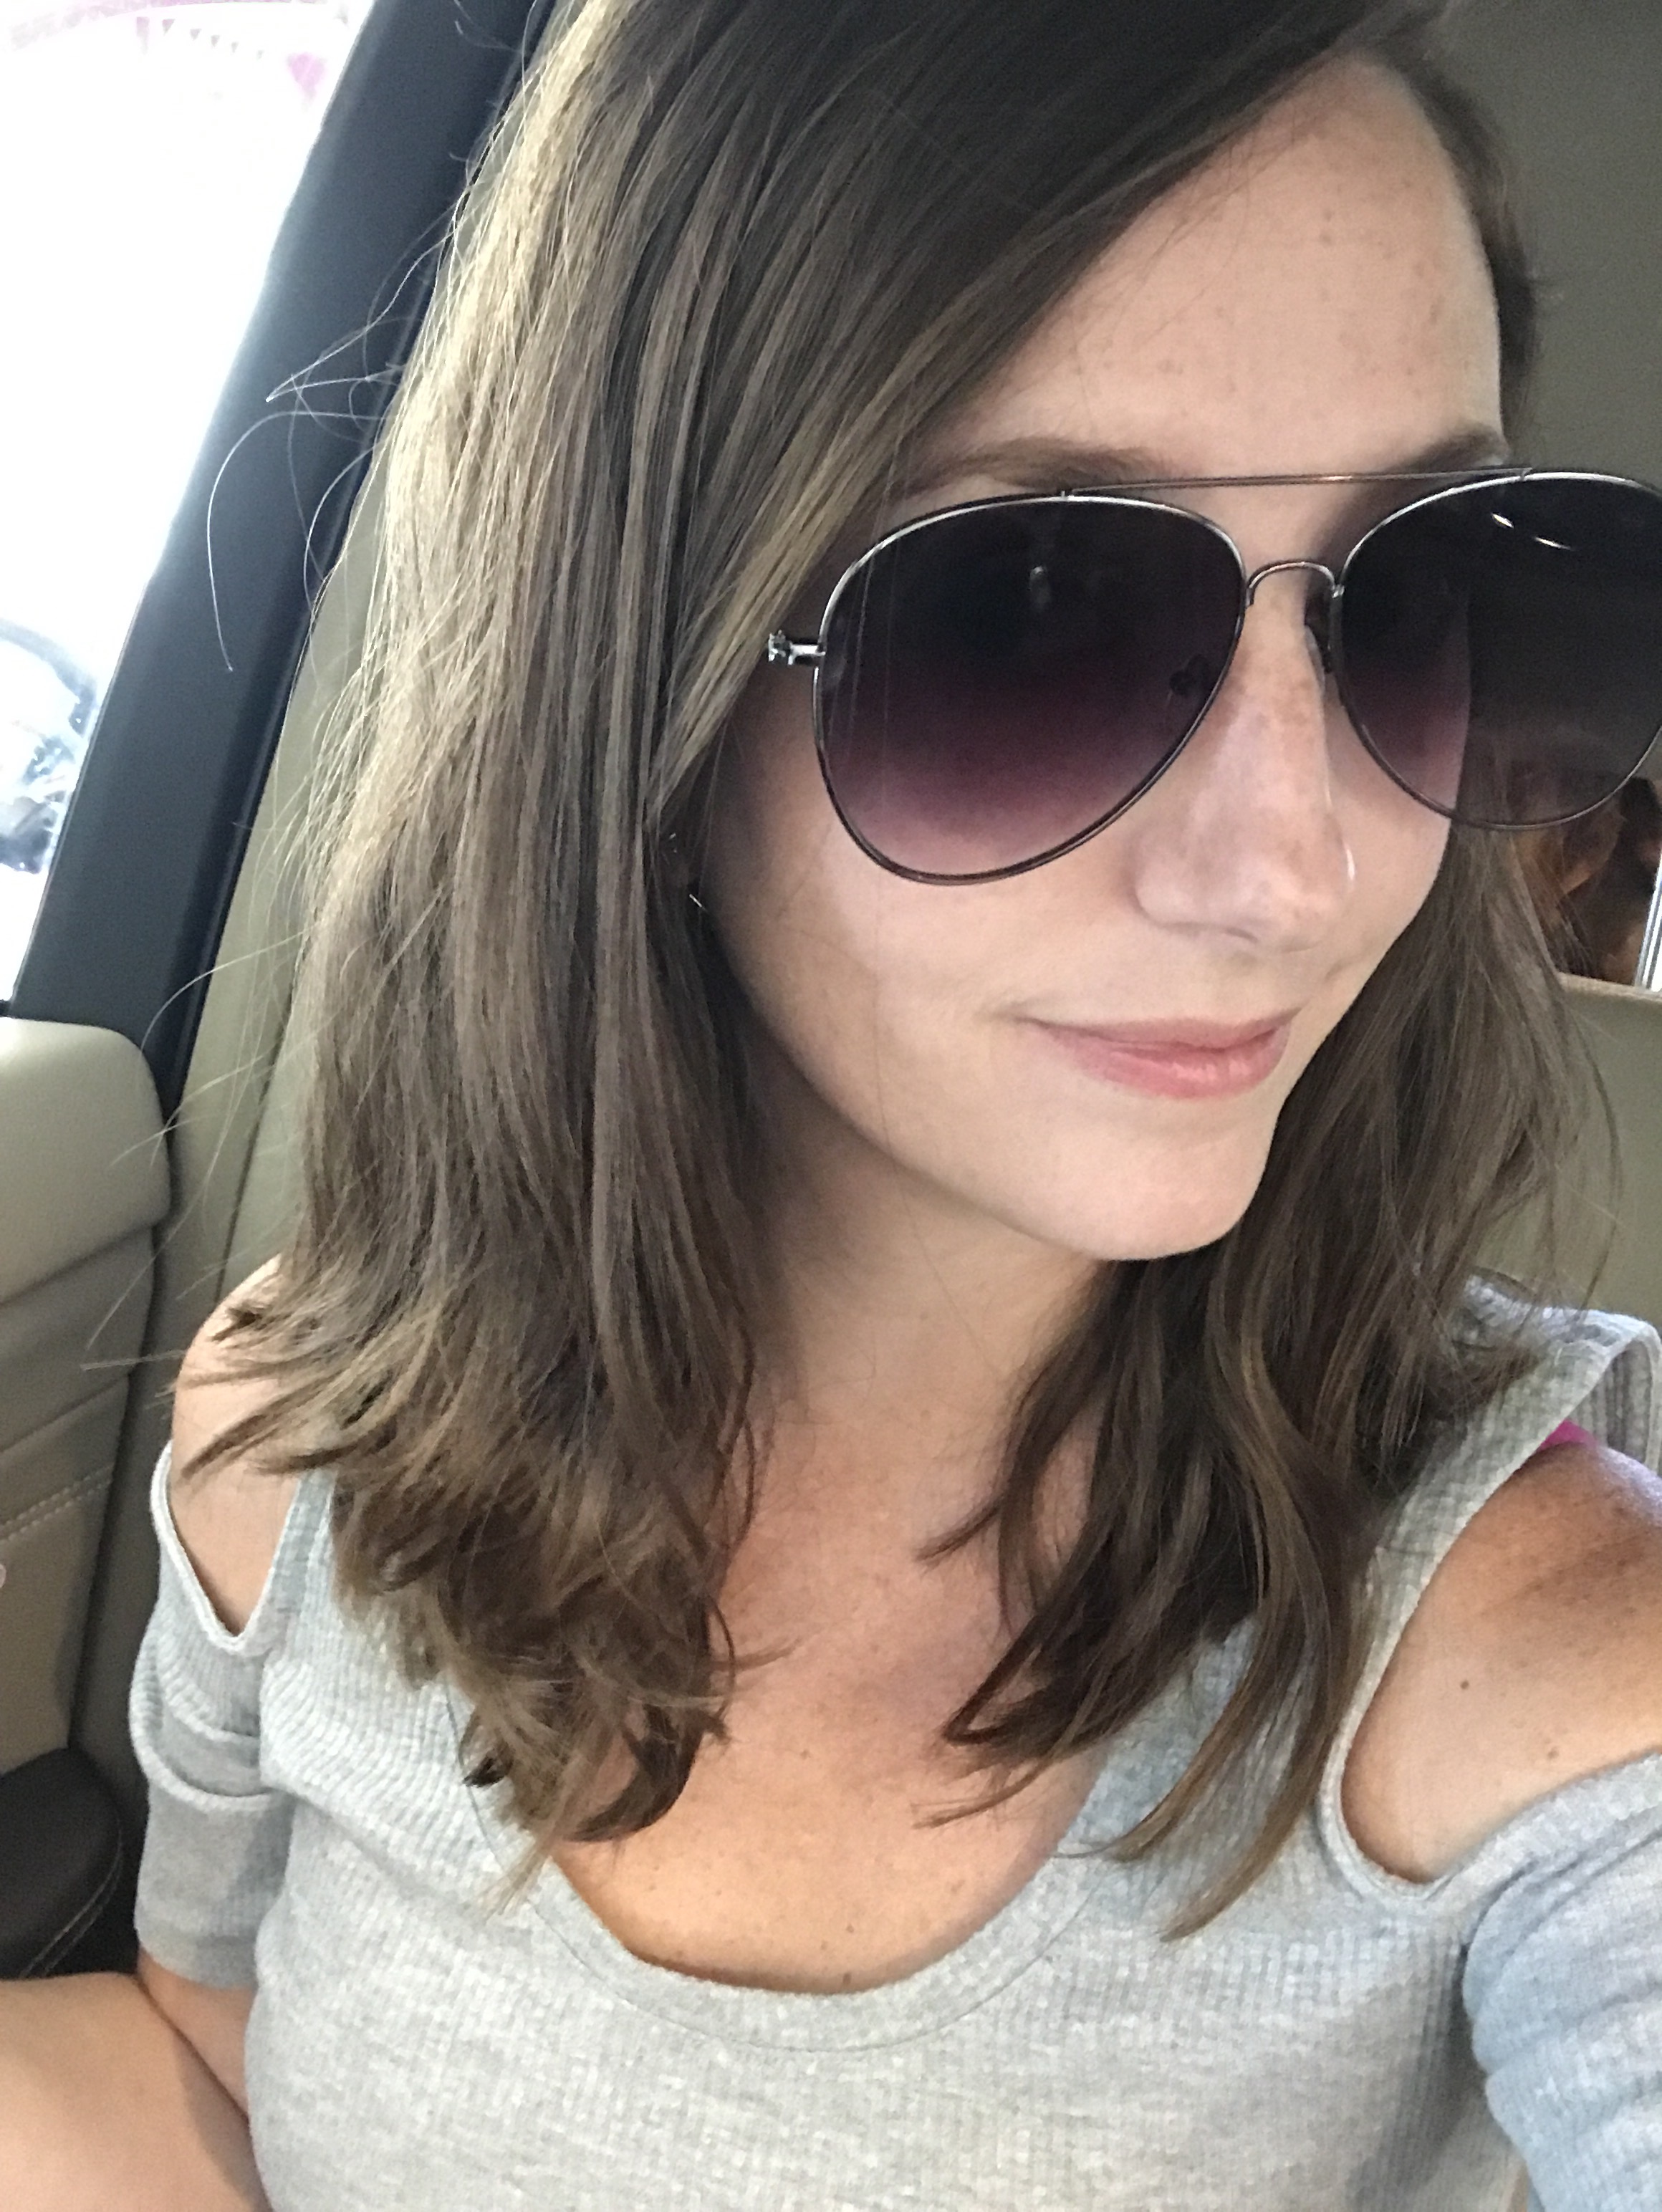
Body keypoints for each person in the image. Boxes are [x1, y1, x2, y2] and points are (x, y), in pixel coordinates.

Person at [4, 1, 1662, 2205]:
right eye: (1027, 616)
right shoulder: (295, 1448)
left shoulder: (1554, 1660)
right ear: (639, 682)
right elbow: (216, 2072)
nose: (1295, 867)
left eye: (1429, 595)